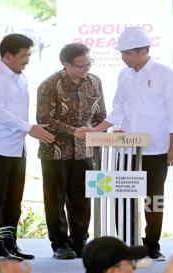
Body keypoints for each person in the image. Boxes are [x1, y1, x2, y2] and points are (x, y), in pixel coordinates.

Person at [86, 26, 173, 261]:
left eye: (127, 53)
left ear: (143, 51)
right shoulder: (124, 75)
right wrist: (95, 131)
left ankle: (152, 245)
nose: (123, 58)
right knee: (123, 195)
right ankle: (128, 244)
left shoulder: (164, 73)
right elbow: (118, 109)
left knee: (153, 198)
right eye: (122, 53)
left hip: (157, 147)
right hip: (126, 147)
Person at [0, 33, 55, 260]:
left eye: (29, 54)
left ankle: (10, 244)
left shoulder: (21, 77)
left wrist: (29, 128)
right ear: (7, 56)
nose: (28, 59)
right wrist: (30, 128)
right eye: (24, 55)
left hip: (17, 146)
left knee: (13, 200)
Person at [36, 43, 106, 259]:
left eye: (89, 63)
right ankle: (59, 243)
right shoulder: (49, 85)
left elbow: (100, 114)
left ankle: (80, 240)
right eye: (81, 66)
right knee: (55, 198)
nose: (86, 69)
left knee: (82, 197)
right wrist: (74, 131)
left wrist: (97, 131)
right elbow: (44, 120)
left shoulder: (95, 82)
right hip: (55, 151)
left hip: (85, 151)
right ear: (66, 64)